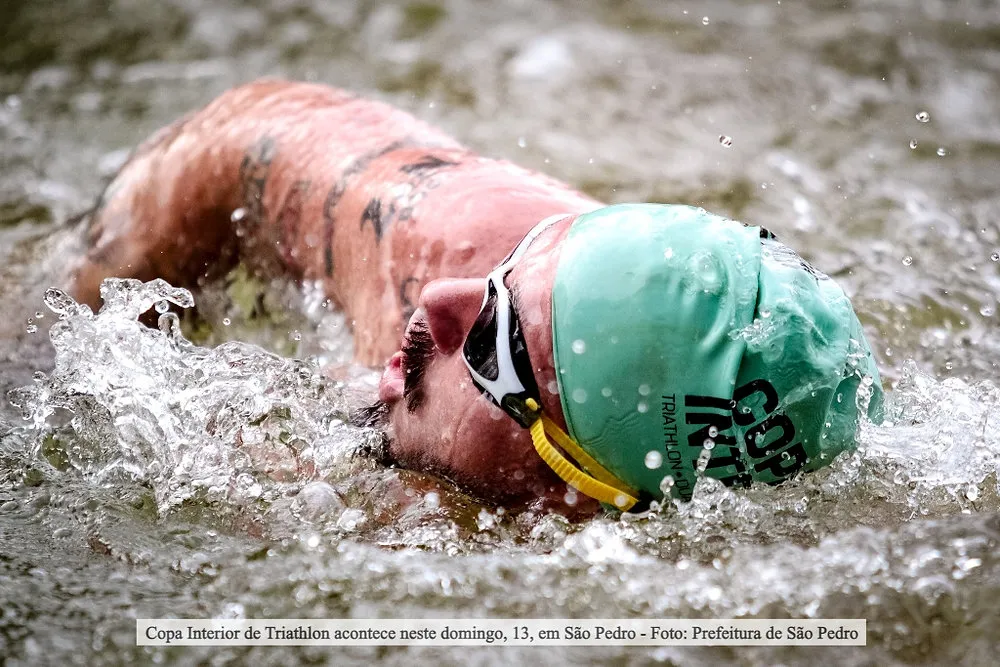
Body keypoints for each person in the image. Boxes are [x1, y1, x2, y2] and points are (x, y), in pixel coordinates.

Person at [68, 80, 883, 514]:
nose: (441, 302)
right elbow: (259, 132)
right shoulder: (443, 234)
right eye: (505, 275)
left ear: (577, 489)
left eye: (495, 345)